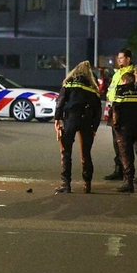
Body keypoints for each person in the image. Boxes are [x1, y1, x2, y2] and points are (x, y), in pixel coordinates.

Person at [53, 61, 102, 194]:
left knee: (66, 152)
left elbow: (60, 102)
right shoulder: (92, 88)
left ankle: (66, 184)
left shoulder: (69, 83)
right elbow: (98, 111)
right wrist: (94, 128)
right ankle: (87, 183)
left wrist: (57, 119)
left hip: (70, 119)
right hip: (86, 121)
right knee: (86, 153)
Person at [111, 71, 137, 193]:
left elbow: (116, 110)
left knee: (126, 155)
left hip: (124, 129)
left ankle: (128, 181)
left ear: (125, 81)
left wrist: (116, 125)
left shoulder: (121, 93)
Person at [103, 48, 135, 180]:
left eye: (121, 58)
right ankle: (119, 169)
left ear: (128, 59)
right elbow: (111, 90)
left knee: (125, 143)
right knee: (116, 143)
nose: (119, 60)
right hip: (115, 108)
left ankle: (127, 172)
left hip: (125, 111)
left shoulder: (132, 73)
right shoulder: (117, 74)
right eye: (118, 58)